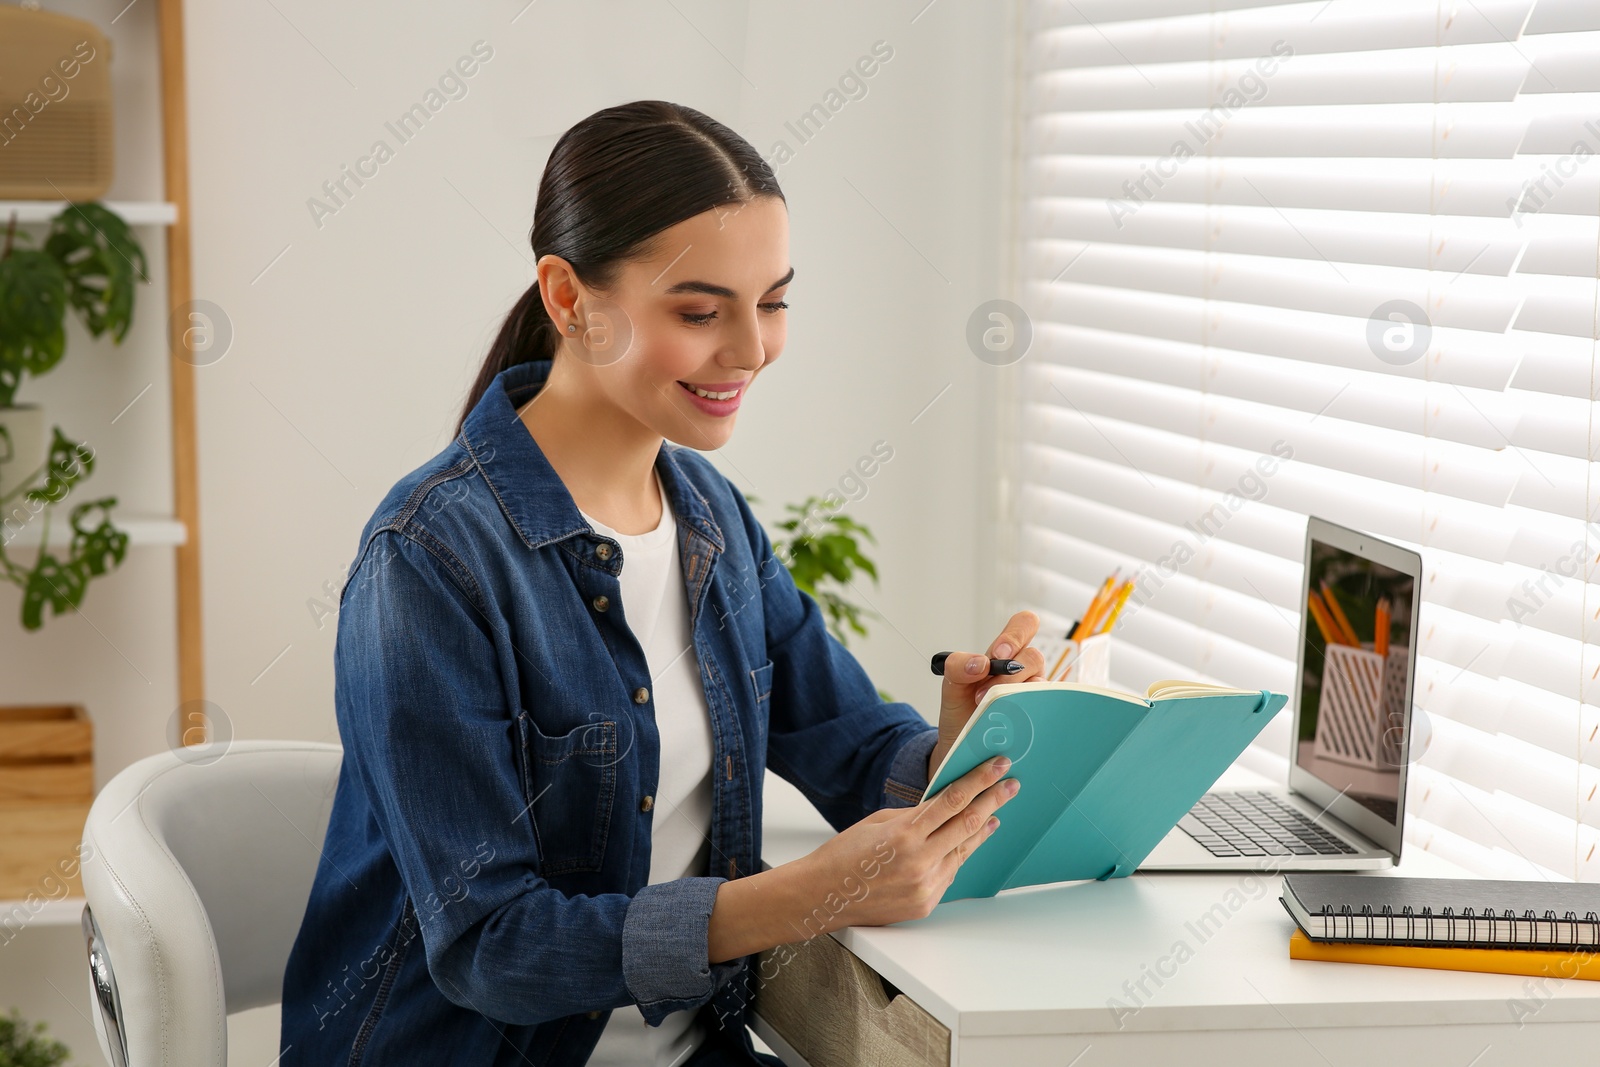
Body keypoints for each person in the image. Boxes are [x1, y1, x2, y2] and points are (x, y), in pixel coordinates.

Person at [279, 99, 1043, 1066]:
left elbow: (848, 743)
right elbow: (490, 946)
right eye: (699, 311)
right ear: (568, 300)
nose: (751, 349)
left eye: (772, 302)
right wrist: (806, 893)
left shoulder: (709, 518)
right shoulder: (429, 562)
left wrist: (969, 735)